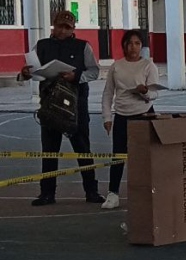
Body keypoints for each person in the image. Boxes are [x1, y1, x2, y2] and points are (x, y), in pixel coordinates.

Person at [17, 11, 104, 206]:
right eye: (59, 26)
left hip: (76, 106)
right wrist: (25, 73)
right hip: (49, 105)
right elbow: (32, 71)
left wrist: (76, 76)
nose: (63, 31)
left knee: (83, 149)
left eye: (67, 27)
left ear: (73, 29)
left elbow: (94, 71)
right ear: (53, 26)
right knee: (49, 150)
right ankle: (47, 193)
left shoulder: (83, 47)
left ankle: (91, 191)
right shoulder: (41, 46)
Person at [100, 30, 159, 210]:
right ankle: (113, 194)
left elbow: (154, 93)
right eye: (129, 43)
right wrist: (107, 117)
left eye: (137, 43)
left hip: (144, 113)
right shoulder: (116, 66)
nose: (133, 47)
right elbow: (108, 93)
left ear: (141, 46)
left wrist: (145, 92)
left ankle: (148, 191)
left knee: (145, 156)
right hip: (122, 115)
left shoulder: (149, 66)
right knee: (118, 155)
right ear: (124, 45)